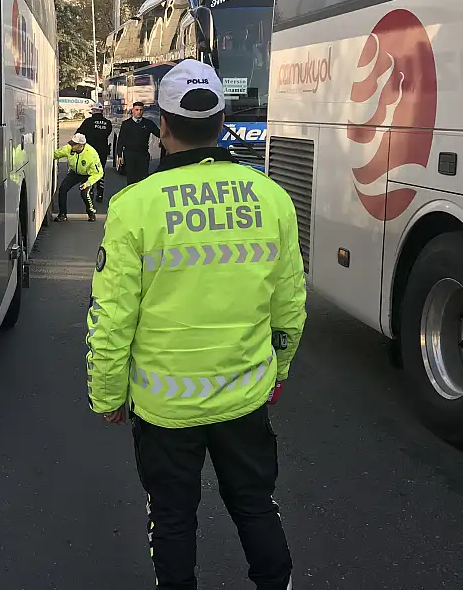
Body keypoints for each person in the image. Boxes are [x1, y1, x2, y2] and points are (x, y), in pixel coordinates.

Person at [85, 59, 307, 590]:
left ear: (163, 125)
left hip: (165, 407)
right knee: (255, 505)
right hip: (244, 395)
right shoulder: (271, 197)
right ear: (223, 119)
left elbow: (112, 316)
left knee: (173, 517)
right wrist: (279, 369)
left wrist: (108, 394)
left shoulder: (133, 206)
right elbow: (289, 304)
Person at [53, 133, 103, 222]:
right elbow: (56, 154)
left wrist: (88, 183)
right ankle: (62, 214)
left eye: (74, 144)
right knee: (62, 189)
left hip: (88, 175)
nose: (71, 145)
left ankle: (91, 213)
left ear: (81, 146)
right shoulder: (69, 148)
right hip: (74, 172)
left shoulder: (92, 154)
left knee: (84, 194)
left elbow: (99, 173)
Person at [116, 101, 160, 186]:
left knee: (143, 178)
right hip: (130, 154)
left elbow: (159, 134)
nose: (139, 112)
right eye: (137, 110)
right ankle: (131, 196)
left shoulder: (148, 123)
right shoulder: (126, 124)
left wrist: (163, 140)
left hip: (143, 154)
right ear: (132, 110)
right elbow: (121, 140)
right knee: (131, 178)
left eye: (141, 110)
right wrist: (119, 155)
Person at [76, 104, 113, 203]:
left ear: (93, 111)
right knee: (100, 171)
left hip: (90, 151)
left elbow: (78, 134)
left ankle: (90, 191)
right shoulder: (107, 123)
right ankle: (100, 193)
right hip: (102, 151)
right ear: (101, 111)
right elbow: (107, 133)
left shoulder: (88, 122)